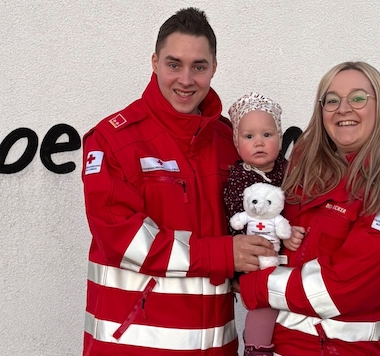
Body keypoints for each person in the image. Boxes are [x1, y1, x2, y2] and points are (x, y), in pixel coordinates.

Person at [81, 8, 276, 355]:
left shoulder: (227, 142)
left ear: (213, 68)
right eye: (174, 64)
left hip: (217, 347)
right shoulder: (112, 140)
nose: (186, 80)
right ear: (155, 63)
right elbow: (125, 243)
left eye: (199, 67)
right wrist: (224, 254)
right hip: (132, 347)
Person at [238, 61, 380, 355]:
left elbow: (339, 288)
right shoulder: (304, 180)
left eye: (358, 98)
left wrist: (253, 285)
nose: (343, 108)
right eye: (332, 100)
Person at [223, 92, 288, 355]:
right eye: (249, 137)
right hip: (253, 256)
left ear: (280, 138)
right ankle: (256, 347)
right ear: (237, 144)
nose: (258, 143)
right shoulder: (238, 178)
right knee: (263, 302)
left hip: (284, 254)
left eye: (267, 135)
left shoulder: (289, 171)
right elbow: (233, 222)